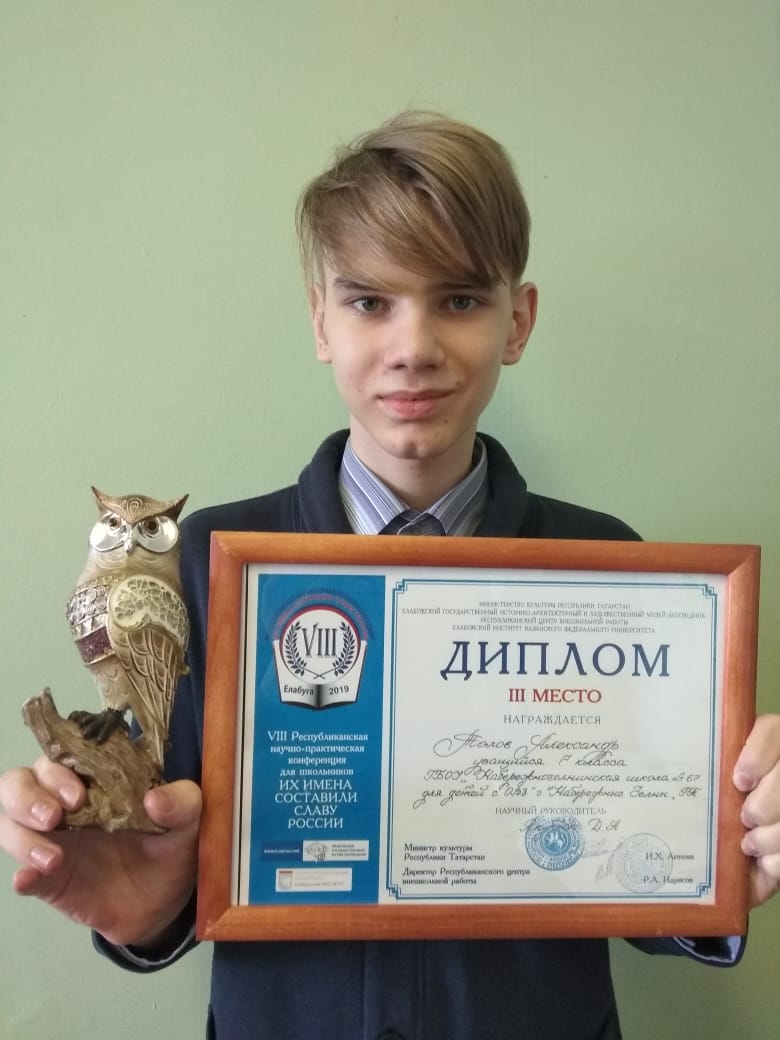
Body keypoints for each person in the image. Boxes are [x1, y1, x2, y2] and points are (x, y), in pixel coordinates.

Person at [1, 112, 779, 1040]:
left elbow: (634, 859)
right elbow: (173, 858)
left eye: (460, 299)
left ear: (518, 321)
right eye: (370, 301)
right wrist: (140, 902)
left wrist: (729, 851)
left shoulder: (608, 567)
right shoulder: (208, 562)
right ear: (319, 320)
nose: (414, 346)